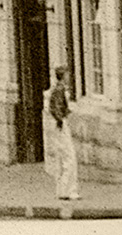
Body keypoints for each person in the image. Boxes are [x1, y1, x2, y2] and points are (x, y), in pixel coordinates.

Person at [45, 67, 80, 201]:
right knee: (69, 157)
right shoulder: (60, 89)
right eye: (67, 74)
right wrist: (61, 119)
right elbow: (56, 108)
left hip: (59, 123)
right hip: (61, 124)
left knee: (65, 157)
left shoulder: (58, 89)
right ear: (63, 75)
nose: (68, 76)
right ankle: (69, 190)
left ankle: (63, 189)